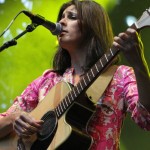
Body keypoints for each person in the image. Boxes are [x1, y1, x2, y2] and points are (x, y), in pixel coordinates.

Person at [0, 0, 150, 149]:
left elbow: (146, 120)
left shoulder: (120, 75)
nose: (61, 22)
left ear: (93, 26)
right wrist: (14, 119)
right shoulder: (46, 81)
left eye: (71, 17)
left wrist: (139, 64)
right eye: (61, 17)